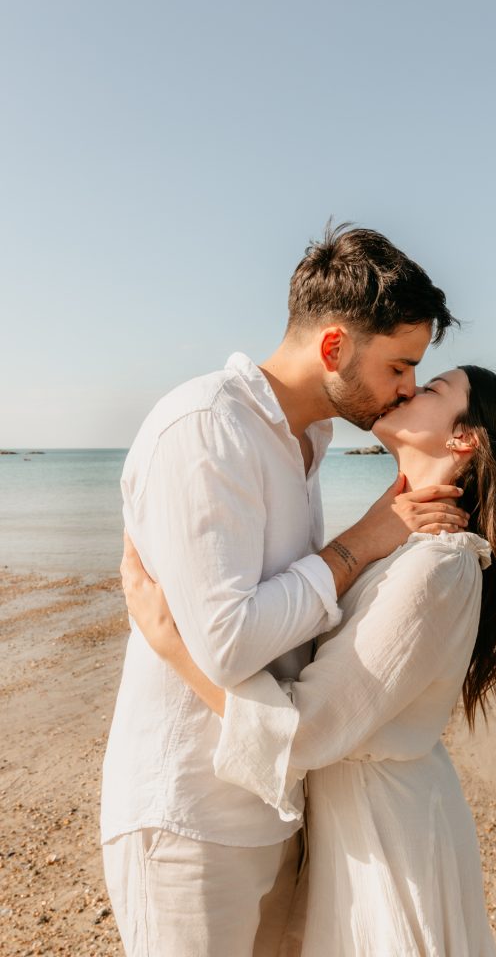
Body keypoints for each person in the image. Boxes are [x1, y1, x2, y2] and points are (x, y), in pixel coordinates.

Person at [101, 222, 468, 957]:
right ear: (333, 347)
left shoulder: (306, 444)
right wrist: (360, 544)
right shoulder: (209, 428)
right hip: (190, 815)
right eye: (399, 367)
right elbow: (230, 640)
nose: (404, 388)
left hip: (276, 804)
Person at [121, 364, 496, 956]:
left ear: (465, 438)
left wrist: (174, 645)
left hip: (385, 832)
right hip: (353, 819)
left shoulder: (439, 565)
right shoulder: (403, 546)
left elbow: (307, 731)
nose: (406, 387)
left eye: (429, 387)